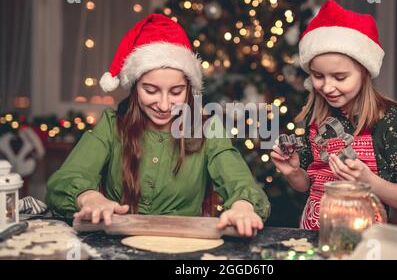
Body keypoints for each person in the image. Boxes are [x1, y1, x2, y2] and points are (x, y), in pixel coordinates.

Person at [46, 14, 270, 237]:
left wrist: (243, 206)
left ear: (189, 89)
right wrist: (89, 197)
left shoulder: (208, 129)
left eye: (176, 92)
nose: (164, 105)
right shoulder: (111, 125)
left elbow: (240, 181)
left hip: (184, 249)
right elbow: (62, 183)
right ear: (134, 87)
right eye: (150, 90)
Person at [271, 0, 397, 230]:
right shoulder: (315, 117)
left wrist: (368, 181)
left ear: (364, 72)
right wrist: (293, 171)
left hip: (364, 242)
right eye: (318, 76)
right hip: (313, 236)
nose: (327, 87)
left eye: (340, 77)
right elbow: (306, 184)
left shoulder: (392, 124)